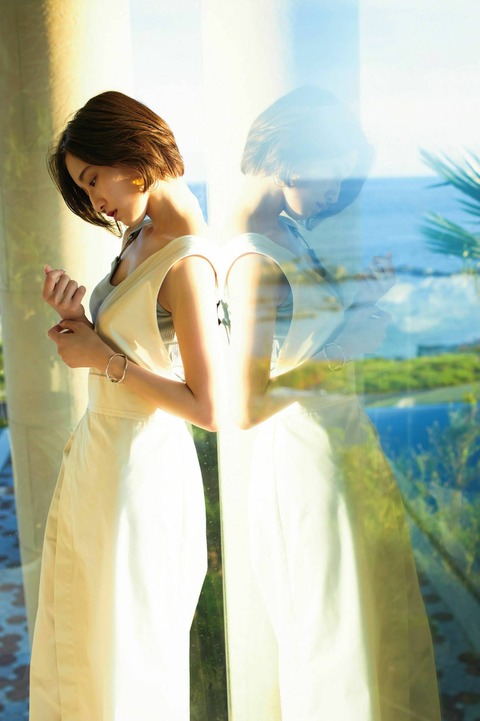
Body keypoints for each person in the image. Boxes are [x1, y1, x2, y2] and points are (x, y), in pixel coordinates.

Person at [223, 87, 441, 720]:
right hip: (309, 459)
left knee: (369, 620)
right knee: (342, 637)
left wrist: (358, 301)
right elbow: (248, 404)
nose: (337, 191)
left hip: (337, 443)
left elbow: (298, 341)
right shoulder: (253, 256)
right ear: (293, 157)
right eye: (333, 173)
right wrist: (348, 347)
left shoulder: (284, 232)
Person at [29, 91, 220, 721]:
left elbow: (208, 406)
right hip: (101, 460)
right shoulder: (140, 235)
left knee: (127, 652)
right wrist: (80, 324)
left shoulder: (187, 260)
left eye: (92, 180)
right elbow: (137, 348)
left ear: (132, 154)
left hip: (140, 474)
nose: (92, 202)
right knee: (85, 641)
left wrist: (100, 358)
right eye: (83, 188)